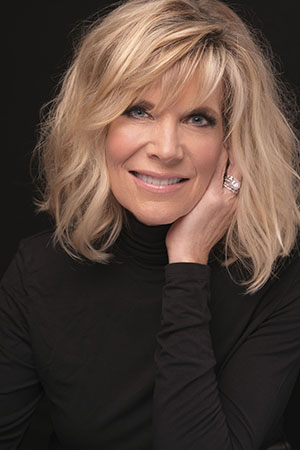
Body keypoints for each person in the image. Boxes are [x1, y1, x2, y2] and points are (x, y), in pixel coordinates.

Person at [1, 0, 300, 449]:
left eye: (198, 119)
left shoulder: (277, 277)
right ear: (96, 124)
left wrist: (187, 261)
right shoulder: (39, 271)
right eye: (138, 110)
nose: (166, 148)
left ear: (234, 143)